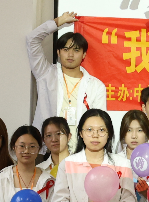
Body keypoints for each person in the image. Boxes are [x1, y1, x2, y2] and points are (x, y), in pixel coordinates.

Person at [26, 12, 107, 151]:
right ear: (58, 52)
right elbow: (32, 40)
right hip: (47, 149)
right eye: (66, 49)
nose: (70, 54)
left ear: (84, 54)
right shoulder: (46, 73)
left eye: (76, 50)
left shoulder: (96, 86)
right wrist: (59, 21)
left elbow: (99, 123)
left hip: (80, 151)